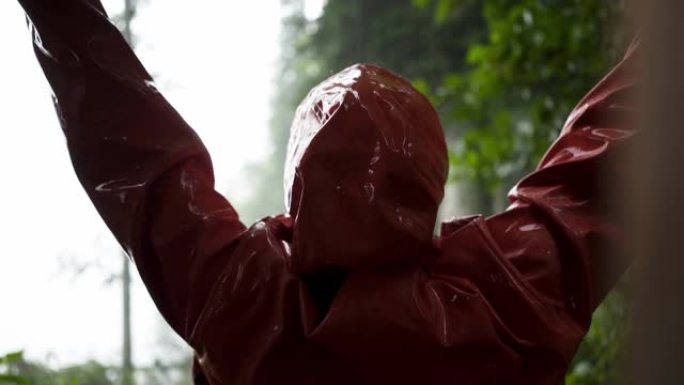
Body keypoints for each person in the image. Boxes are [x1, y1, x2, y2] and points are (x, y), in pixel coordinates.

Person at [15, 0, 637, 384]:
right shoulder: (512, 293)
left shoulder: (241, 300)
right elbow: (620, 137)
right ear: (429, 183)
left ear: (298, 184)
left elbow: (128, 139)